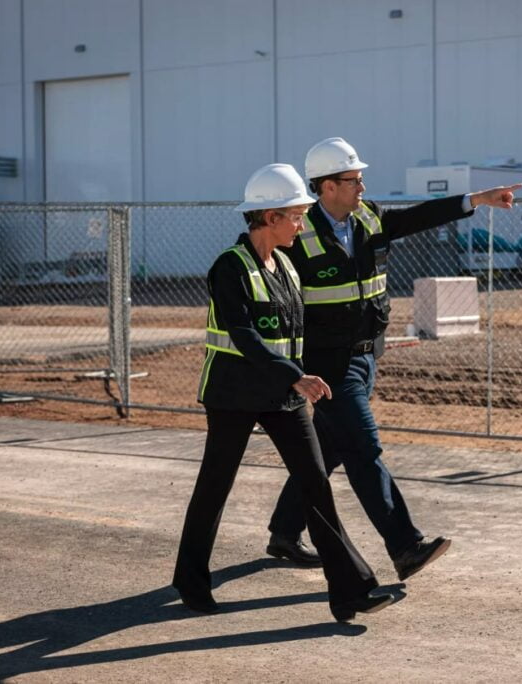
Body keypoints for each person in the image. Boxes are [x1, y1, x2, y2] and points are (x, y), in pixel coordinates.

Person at [265, 137, 522, 581]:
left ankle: (284, 532)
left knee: (329, 450)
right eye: (353, 179)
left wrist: (476, 199)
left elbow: (418, 217)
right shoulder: (297, 233)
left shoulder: (367, 218)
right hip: (327, 366)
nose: (362, 186)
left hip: (366, 358)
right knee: (364, 449)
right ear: (327, 187)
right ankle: (405, 547)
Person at [172, 163, 392, 623]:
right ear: (269, 217)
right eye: (295, 215)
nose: (301, 224)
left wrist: (310, 372)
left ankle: (350, 590)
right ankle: (191, 581)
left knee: (316, 485)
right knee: (214, 487)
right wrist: (295, 375)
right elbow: (244, 335)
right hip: (233, 395)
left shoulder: (288, 267)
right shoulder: (228, 268)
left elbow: (299, 331)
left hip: (284, 396)